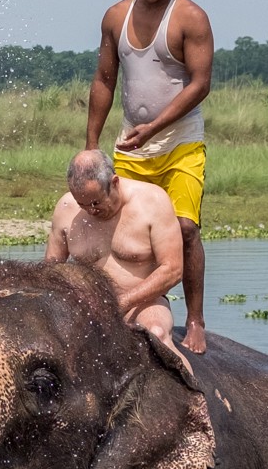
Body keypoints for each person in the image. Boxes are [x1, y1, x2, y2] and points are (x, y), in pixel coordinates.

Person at [86, 0, 215, 354]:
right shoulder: (116, 16)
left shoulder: (190, 17)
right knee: (114, 226)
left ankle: (194, 319)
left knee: (185, 228)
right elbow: (105, 80)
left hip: (180, 143)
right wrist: (92, 147)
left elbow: (200, 85)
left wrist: (156, 126)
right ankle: (131, 306)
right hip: (131, 145)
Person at [48, 150, 187, 355]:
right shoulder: (66, 208)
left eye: (96, 202)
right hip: (86, 306)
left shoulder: (153, 202)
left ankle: (193, 388)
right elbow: (50, 271)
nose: (91, 211)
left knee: (157, 334)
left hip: (141, 304)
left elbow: (173, 270)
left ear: (114, 182)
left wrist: (123, 303)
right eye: (82, 204)